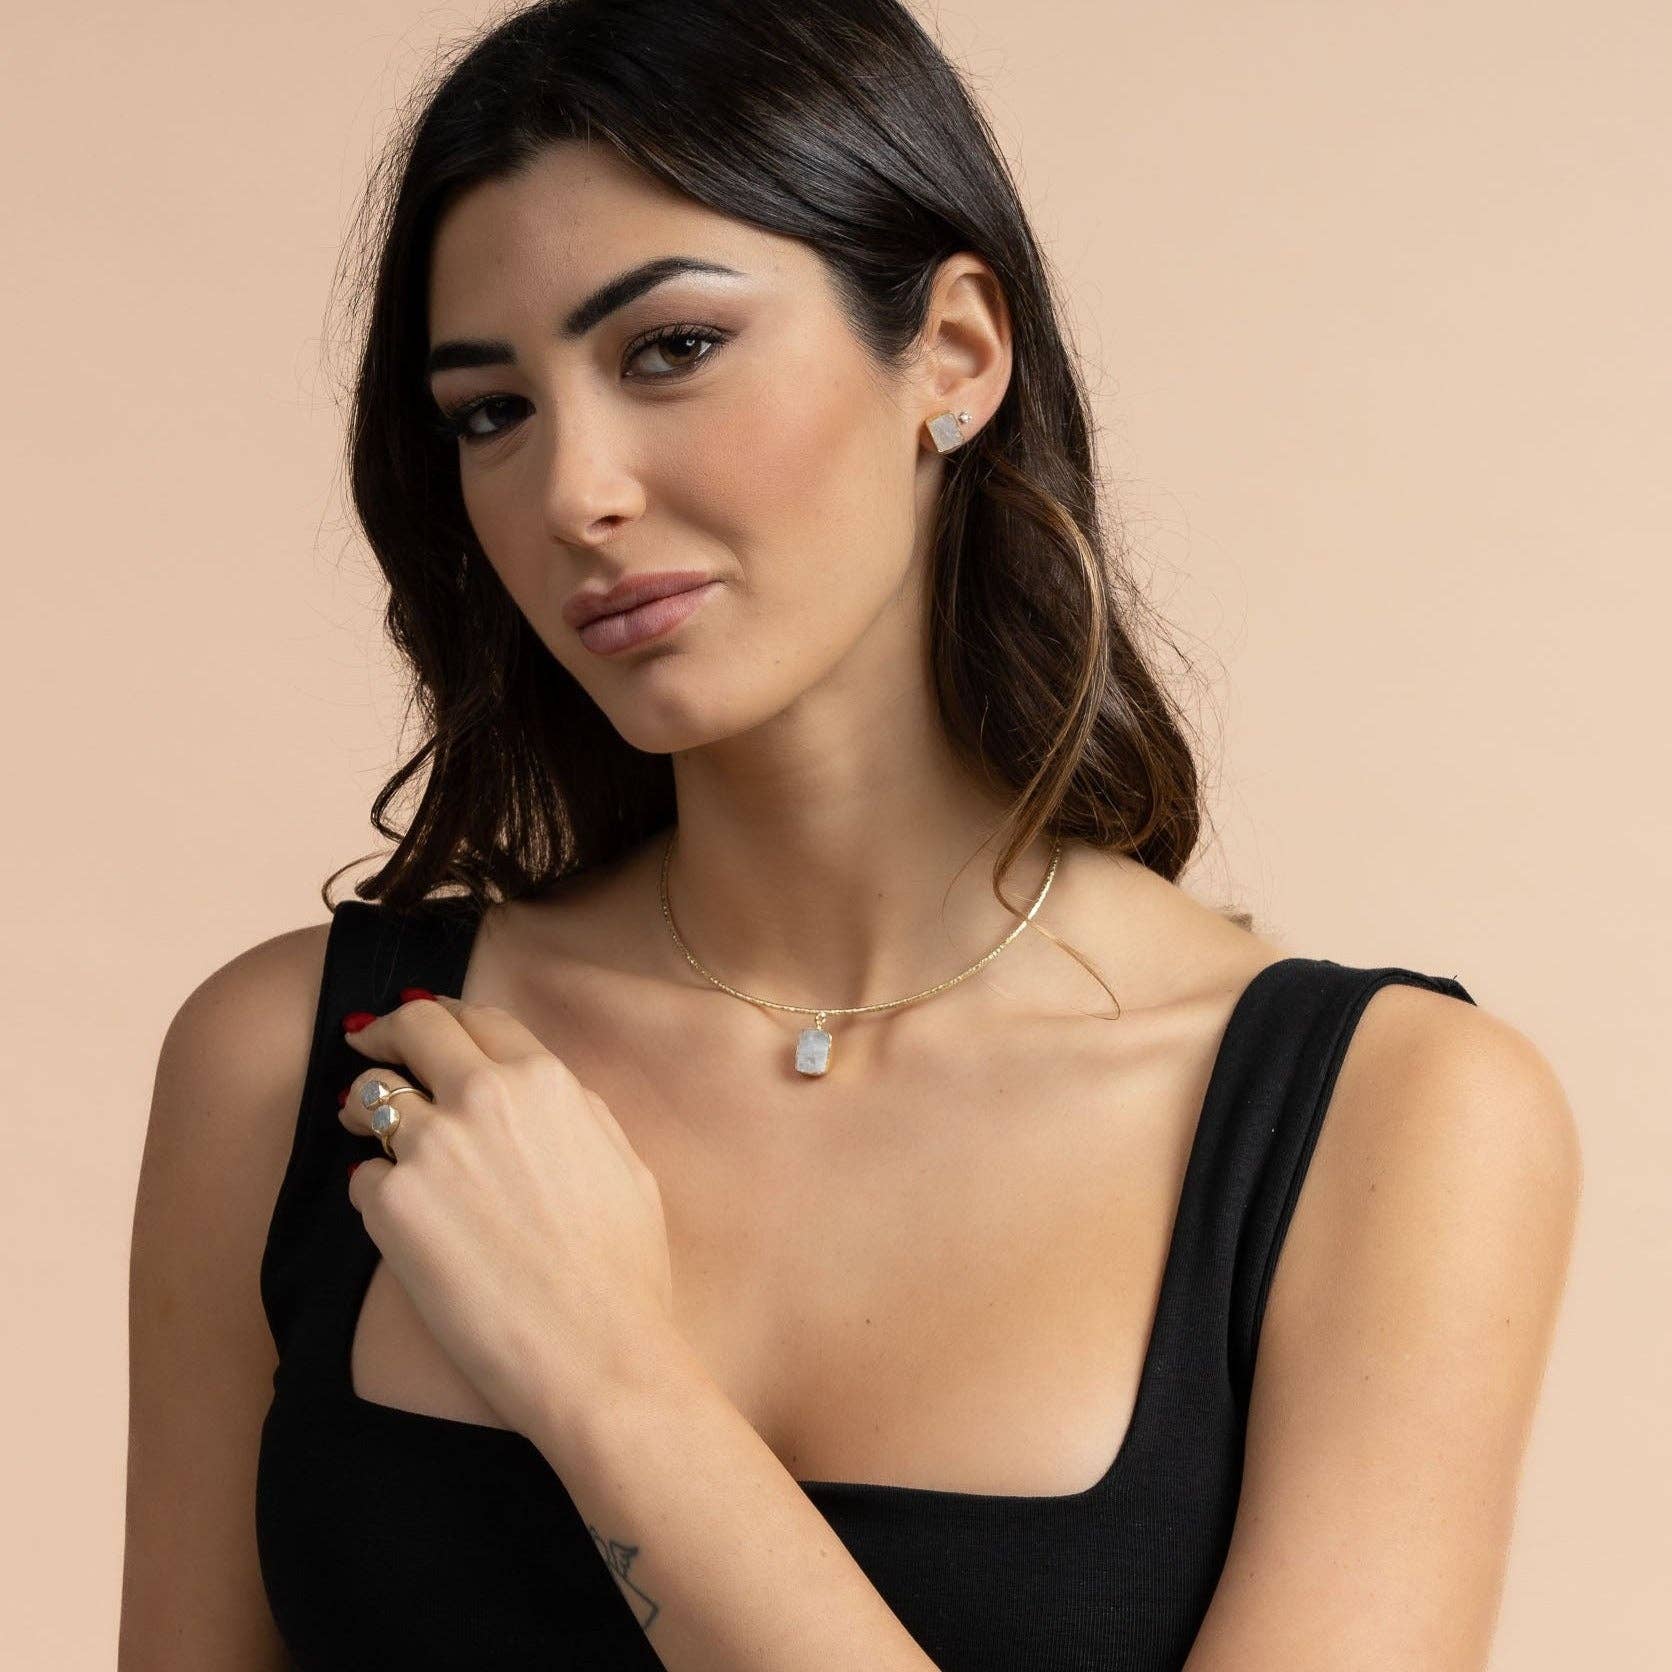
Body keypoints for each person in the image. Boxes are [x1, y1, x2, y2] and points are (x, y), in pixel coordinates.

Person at [120, 1, 1581, 1667]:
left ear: (953, 355)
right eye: (490, 412)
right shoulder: (298, 1071)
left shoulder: (1389, 1126)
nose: (575, 493)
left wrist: (606, 1378)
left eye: (669, 348)